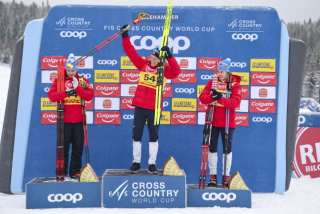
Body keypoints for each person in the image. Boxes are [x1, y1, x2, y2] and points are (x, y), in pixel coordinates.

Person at [121, 24, 181, 174]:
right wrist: (125, 36)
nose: (152, 60)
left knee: (153, 136)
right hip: (140, 105)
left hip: (155, 107)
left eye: (155, 59)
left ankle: (152, 164)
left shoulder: (165, 70)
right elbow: (130, 52)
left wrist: (171, 56)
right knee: (136, 135)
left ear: (161, 60)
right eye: (151, 57)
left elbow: (177, 72)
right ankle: (136, 163)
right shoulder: (143, 64)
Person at [47, 54, 94, 179]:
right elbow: (51, 96)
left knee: (78, 148)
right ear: (66, 70)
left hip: (79, 120)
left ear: (77, 69)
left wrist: (77, 87)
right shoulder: (60, 81)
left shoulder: (83, 81)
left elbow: (89, 96)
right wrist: (65, 93)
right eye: (68, 70)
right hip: (65, 121)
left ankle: (75, 172)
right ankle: (61, 173)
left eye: (73, 70)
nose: (71, 73)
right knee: (64, 148)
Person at [199, 58, 242, 187]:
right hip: (212, 121)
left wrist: (220, 98)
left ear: (228, 72)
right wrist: (213, 96)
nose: (219, 74)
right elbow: (202, 98)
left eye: (221, 71)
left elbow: (235, 103)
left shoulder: (234, 84)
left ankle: (226, 177)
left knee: (226, 150)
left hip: (228, 122)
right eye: (218, 71)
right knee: (212, 149)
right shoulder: (212, 83)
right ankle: (213, 177)